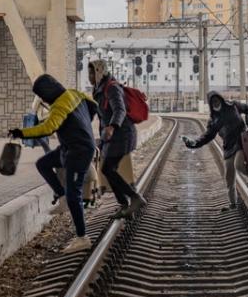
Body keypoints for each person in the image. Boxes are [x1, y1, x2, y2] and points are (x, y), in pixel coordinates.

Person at [9, 74, 98, 253]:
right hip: (69, 148)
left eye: (42, 95)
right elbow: (93, 105)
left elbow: (48, 128)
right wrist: (82, 124)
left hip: (78, 152)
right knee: (43, 163)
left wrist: (21, 133)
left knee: (75, 194)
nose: (42, 100)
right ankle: (61, 196)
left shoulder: (59, 106)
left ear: (48, 92)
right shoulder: (74, 94)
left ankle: (82, 238)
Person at [89, 60, 146, 218]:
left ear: (101, 72)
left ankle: (134, 199)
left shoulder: (112, 87)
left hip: (122, 134)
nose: (90, 76)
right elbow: (100, 115)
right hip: (113, 136)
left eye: (93, 73)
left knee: (107, 168)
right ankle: (127, 205)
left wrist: (112, 127)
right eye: (89, 73)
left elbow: (120, 109)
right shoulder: (98, 89)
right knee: (108, 169)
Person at [183, 91, 248, 211]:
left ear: (221, 99)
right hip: (228, 147)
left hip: (241, 142)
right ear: (211, 105)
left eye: (217, 100)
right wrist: (194, 143)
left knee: (239, 164)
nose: (216, 103)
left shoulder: (233, 106)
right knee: (229, 177)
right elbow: (207, 136)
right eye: (213, 102)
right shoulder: (213, 120)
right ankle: (232, 204)